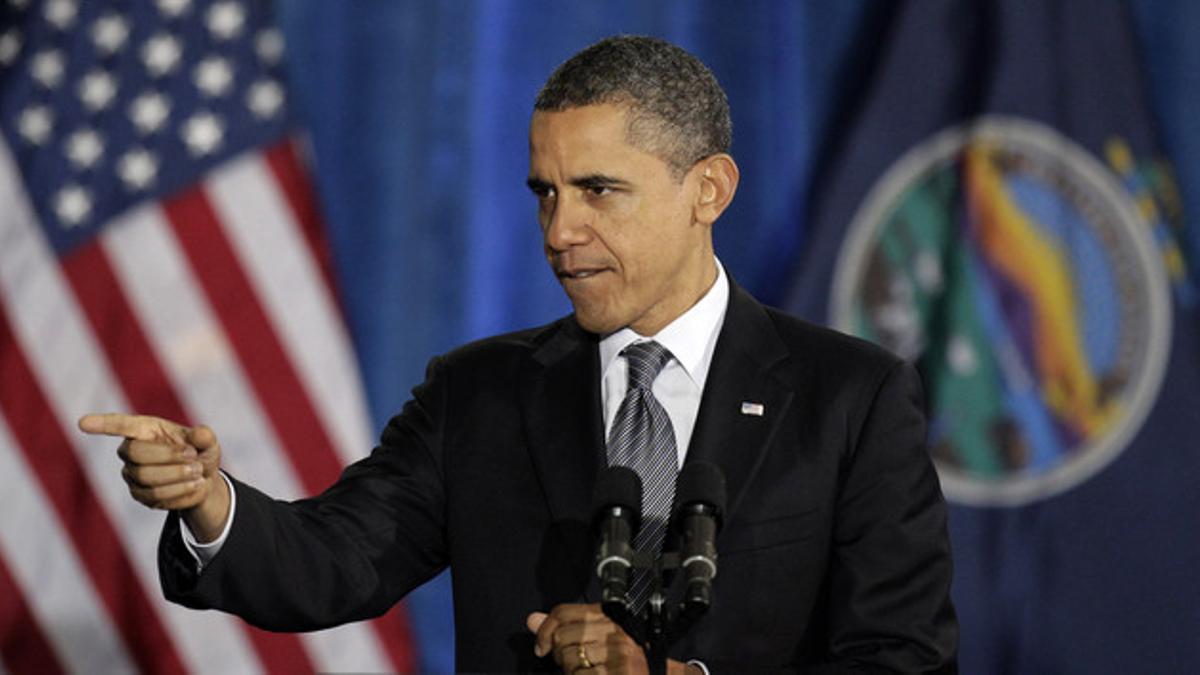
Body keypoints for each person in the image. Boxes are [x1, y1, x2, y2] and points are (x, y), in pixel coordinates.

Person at [79, 36, 957, 673]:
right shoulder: (481, 393)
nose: (560, 232)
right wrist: (210, 503)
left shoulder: (851, 398)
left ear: (709, 190)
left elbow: (905, 657)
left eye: (598, 191)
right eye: (546, 193)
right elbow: (334, 559)